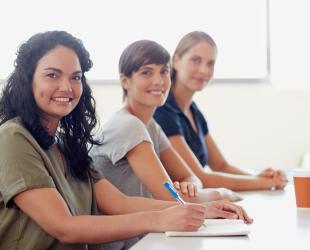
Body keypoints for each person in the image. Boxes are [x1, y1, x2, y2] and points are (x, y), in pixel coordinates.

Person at [0, 31, 252, 250]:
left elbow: (120, 202)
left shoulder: (66, 143)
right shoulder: (13, 137)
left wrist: (201, 210)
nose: (67, 86)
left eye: (75, 77)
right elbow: (64, 227)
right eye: (52, 75)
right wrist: (160, 219)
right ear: (28, 79)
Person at [91, 40, 241, 203]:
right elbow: (174, 199)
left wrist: (190, 186)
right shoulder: (128, 126)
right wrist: (222, 194)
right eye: (146, 72)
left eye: (164, 72)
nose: (158, 81)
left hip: (149, 224)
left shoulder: (150, 125)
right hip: (124, 225)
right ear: (125, 81)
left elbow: (191, 176)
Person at [154, 31, 288, 191]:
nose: (204, 70)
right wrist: (265, 183)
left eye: (210, 63)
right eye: (196, 60)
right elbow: (200, 177)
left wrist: (260, 177)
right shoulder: (163, 111)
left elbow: (221, 166)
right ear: (176, 60)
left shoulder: (193, 111)